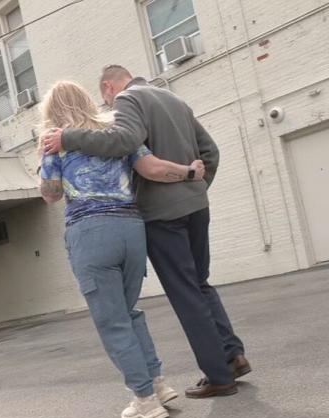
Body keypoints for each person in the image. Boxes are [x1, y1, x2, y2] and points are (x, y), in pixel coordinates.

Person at [42, 65, 250, 399]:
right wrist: (194, 189)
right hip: (195, 207)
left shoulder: (126, 100)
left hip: (160, 215)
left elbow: (125, 141)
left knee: (185, 293)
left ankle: (218, 376)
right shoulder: (174, 99)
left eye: (106, 99)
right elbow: (210, 152)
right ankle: (232, 356)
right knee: (200, 283)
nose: (107, 107)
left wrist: (66, 138)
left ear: (108, 87)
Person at [38, 81, 207, 418]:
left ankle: (145, 400)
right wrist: (189, 171)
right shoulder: (116, 133)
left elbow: (51, 194)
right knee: (129, 312)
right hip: (131, 229)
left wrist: (44, 162)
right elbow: (153, 168)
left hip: (90, 233)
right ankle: (157, 384)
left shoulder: (55, 142)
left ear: (51, 111)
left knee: (112, 321)